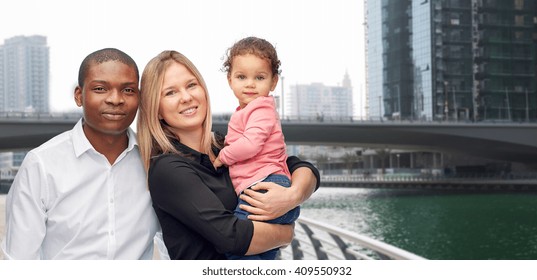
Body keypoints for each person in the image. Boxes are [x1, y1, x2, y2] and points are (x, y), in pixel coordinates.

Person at [137, 50, 320, 260]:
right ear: (156, 109)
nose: (186, 97)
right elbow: (230, 237)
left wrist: (293, 195)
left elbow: (299, 166)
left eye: (191, 85)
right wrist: (285, 235)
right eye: (170, 92)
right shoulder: (168, 168)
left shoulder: (224, 147)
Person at [1, 48, 164, 259]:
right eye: (100, 88)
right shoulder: (41, 165)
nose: (115, 99)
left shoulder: (155, 162)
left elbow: (176, 243)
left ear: (140, 98)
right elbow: (20, 260)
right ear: (79, 96)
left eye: (128, 90)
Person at [213, 37, 297, 260]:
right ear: (230, 80)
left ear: (273, 82)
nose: (250, 84)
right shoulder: (246, 111)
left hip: (264, 185)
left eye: (259, 77)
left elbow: (251, 144)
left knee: (236, 245)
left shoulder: (261, 109)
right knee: (262, 254)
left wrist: (223, 156)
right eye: (242, 77)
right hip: (261, 184)